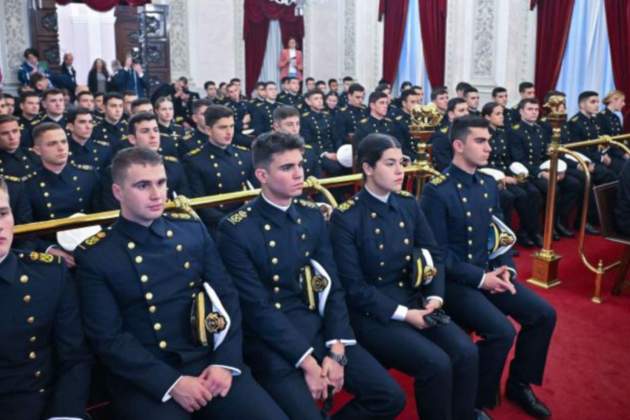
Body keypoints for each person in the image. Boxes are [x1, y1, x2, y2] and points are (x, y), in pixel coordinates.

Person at [74, 147, 286, 420]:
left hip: (210, 362)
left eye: (161, 183)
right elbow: (108, 338)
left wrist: (225, 362)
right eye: (142, 185)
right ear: (118, 192)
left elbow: (227, 297)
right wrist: (171, 383)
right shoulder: (97, 255)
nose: (156, 194)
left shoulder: (191, 230)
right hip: (149, 377)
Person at [217, 131, 406, 420]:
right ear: (262, 175)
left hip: (318, 329)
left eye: (300, 165)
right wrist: (308, 363)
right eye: (287, 167)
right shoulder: (236, 228)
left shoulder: (311, 215)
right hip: (273, 342)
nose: (299, 174)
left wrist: (337, 348)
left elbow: (331, 287)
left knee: (390, 397)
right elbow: (258, 307)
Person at [330, 133, 481, 420]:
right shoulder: (346, 217)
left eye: (402, 162)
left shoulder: (408, 203)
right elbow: (354, 288)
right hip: (374, 313)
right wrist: (405, 314)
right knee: (436, 364)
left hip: (415, 299)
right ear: (368, 168)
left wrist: (435, 297)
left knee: (465, 351)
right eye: (390, 163)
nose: (400, 170)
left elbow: (432, 252)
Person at [421, 116, 556, 418]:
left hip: (491, 271)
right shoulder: (436, 191)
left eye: (489, 141)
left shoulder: (486, 183)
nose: (488, 148)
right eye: (480, 141)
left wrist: (506, 267)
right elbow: (438, 254)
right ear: (458, 145)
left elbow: (500, 235)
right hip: (456, 282)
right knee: (502, 332)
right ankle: (472, 402)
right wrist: (482, 278)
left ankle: (519, 384)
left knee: (544, 314)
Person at [0, 177, 92, 420]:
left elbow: (74, 358)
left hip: (39, 405)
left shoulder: (48, 274)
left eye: (2, 213)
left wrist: (63, 416)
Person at [508, 98, 581, 238]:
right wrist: (541, 173)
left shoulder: (539, 129)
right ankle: (540, 229)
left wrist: (556, 169)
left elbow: (546, 154)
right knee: (552, 188)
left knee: (574, 184)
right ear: (521, 112)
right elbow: (519, 159)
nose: (534, 113)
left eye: (536, 110)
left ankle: (558, 221)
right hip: (528, 172)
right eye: (530, 109)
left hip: (544, 168)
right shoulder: (515, 131)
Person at [184, 105, 255, 232]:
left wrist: (242, 217)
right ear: (208, 130)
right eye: (222, 127)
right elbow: (200, 204)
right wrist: (232, 221)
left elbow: (255, 192)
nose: (229, 132)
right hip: (216, 226)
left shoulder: (245, 155)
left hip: (246, 219)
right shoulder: (194, 160)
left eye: (231, 126)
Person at [482, 102, 543, 248]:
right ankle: (505, 238)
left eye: (502, 113)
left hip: (505, 172)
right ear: (487, 117)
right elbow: (483, 162)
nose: (502, 116)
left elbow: (508, 158)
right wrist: (503, 176)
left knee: (533, 192)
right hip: (490, 175)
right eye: (497, 114)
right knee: (512, 196)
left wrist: (517, 172)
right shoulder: (483, 134)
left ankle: (528, 232)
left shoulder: (503, 133)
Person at [99, 112, 190, 209]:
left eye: (156, 130)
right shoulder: (115, 171)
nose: (153, 135)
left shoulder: (173, 166)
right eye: (145, 131)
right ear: (132, 139)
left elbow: (187, 198)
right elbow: (112, 210)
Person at [567, 91, 617, 233]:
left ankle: (602, 216)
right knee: (607, 176)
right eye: (593, 102)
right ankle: (586, 220)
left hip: (595, 158)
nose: (597, 105)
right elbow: (578, 148)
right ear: (582, 104)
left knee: (615, 173)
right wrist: (598, 159)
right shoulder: (575, 123)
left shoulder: (593, 120)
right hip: (583, 161)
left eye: (597, 102)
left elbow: (597, 144)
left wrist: (603, 154)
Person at [272, 105, 320, 179]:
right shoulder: (268, 153)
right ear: (276, 127)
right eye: (289, 125)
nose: (295, 129)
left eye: (297, 124)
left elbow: (318, 181)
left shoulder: (309, 151)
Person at [66, 107, 112, 171]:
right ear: (71, 126)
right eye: (82, 122)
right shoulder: (63, 149)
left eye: (90, 122)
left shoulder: (103, 149)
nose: (88, 126)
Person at [431, 98, 469, 171]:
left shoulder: (469, 132)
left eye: (467, 110)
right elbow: (445, 165)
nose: (466, 113)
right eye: (462, 110)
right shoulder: (442, 136)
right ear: (451, 114)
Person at [597, 89, 627, 173]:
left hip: (618, 153)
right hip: (609, 155)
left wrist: (626, 152)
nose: (624, 104)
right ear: (614, 100)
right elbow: (605, 143)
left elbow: (621, 139)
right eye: (622, 101)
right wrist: (623, 154)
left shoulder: (616, 117)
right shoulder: (601, 117)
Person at [334, 83, 367, 148]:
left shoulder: (365, 110)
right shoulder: (342, 113)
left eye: (362, 97)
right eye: (357, 97)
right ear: (349, 96)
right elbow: (340, 136)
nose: (360, 100)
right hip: (349, 147)